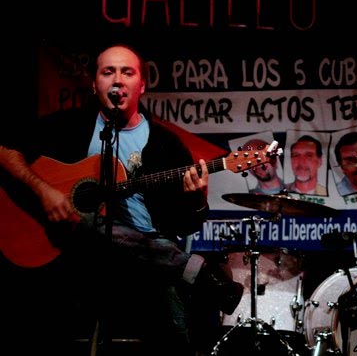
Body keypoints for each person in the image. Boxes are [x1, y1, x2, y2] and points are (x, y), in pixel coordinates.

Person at [0, 44, 243, 354]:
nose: (117, 79)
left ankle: (183, 271)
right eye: (107, 72)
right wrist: (43, 190)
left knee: (177, 333)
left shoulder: (167, 145)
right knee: (87, 221)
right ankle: (197, 272)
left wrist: (197, 199)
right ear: (94, 84)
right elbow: (5, 151)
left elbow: (185, 224)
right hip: (74, 257)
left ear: (141, 85)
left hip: (146, 260)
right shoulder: (67, 127)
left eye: (127, 72)